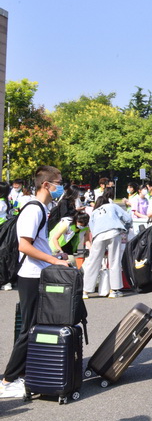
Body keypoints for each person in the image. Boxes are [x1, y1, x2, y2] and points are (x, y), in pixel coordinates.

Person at [0, 166, 70, 399]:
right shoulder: (33, 209)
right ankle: (8, 380)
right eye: (58, 182)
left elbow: (37, 244)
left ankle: (22, 372)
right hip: (30, 275)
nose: (61, 186)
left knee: (35, 326)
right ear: (46, 185)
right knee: (29, 329)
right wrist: (53, 260)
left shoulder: (42, 208)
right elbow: (24, 246)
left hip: (38, 273)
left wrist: (55, 255)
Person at [83, 193, 132, 299]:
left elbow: (92, 229)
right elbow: (128, 218)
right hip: (113, 232)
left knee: (93, 262)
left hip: (98, 236)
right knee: (114, 261)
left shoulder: (94, 212)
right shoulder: (113, 206)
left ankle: (85, 290)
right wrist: (125, 228)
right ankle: (114, 290)